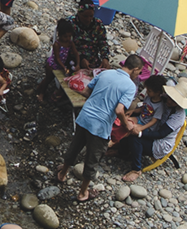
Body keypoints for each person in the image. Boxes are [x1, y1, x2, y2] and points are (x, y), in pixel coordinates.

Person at [56, 54, 140, 202]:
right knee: (92, 159)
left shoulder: (106, 73)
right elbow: (119, 110)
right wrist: (127, 125)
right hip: (100, 126)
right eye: (139, 72)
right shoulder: (130, 86)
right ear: (135, 69)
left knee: (75, 147)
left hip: (84, 117)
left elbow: (86, 92)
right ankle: (82, 192)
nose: (138, 75)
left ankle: (62, 173)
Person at [118, 75, 187, 181]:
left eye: (173, 101)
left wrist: (140, 133)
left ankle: (136, 169)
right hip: (152, 127)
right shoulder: (163, 98)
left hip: (161, 141)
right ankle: (122, 152)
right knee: (128, 125)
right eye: (169, 98)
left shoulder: (178, 115)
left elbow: (162, 134)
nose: (169, 102)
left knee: (135, 138)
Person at [70, 0, 111, 70]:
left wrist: (105, 58)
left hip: (93, 62)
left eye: (91, 16)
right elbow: (66, 45)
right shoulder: (71, 24)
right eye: (85, 16)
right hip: (74, 61)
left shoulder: (98, 24)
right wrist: (80, 59)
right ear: (79, 13)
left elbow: (103, 43)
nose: (88, 19)